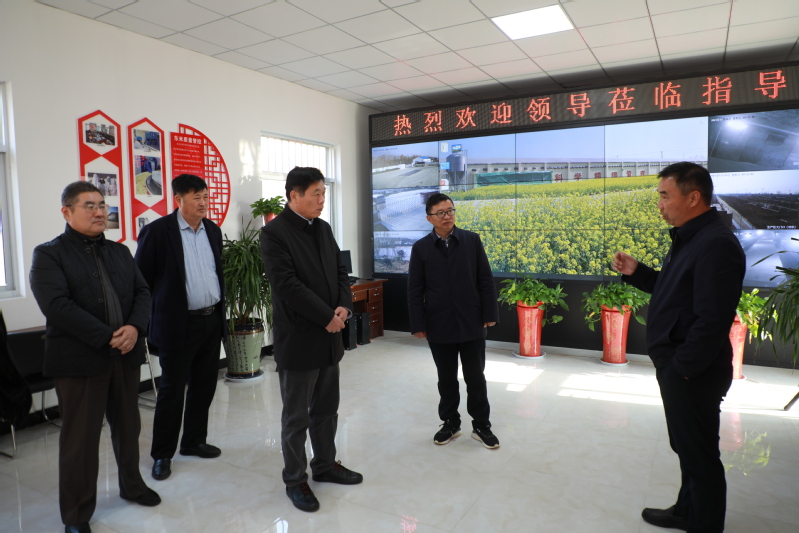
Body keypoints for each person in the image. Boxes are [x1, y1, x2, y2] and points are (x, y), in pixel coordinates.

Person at [612, 162, 745, 533]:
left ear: (693, 197)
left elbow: (712, 320)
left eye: (665, 196)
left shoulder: (716, 244)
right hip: (682, 367)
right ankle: (687, 511)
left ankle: (704, 524)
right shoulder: (691, 236)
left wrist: (681, 369)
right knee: (688, 447)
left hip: (693, 372)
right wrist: (637, 272)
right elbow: (674, 290)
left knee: (700, 458)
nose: (660, 204)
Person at [30, 181, 160, 533]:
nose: (100, 211)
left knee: (128, 427)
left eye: (102, 205)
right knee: (81, 440)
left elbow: (143, 292)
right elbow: (57, 306)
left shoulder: (119, 251)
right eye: (89, 205)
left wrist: (135, 327)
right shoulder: (49, 254)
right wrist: (108, 337)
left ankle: (132, 486)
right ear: (67, 212)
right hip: (80, 361)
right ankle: (76, 514)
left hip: (125, 356)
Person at [260, 166, 363, 513]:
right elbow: (287, 286)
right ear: (294, 195)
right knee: (296, 418)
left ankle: (325, 465)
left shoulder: (323, 228)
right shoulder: (274, 233)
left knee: (327, 410)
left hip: (330, 338)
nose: (322, 200)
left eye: (324, 193)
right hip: (300, 338)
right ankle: (295, 479)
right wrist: (326, 317)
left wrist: (344, 307)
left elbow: (340, 271)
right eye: (316, 193)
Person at [134, 174, 226, 482]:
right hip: (178, 325)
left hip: (211, 320)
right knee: (172, 391)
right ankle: (162, 454)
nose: (203, 202)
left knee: (204, 386)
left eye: (205, 196)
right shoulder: (158, 232)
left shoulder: (213, 230)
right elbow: (141, 283)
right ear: (178, 200)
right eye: (196, 197)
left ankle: (194, 441)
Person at [407, 193, 500, 449]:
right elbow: (415, 290)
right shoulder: (421, 248)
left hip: (472, 321)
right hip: (439, 323)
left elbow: (485, 280)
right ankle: (450, 423)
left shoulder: (471, 240)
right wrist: (418, 324)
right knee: (446, 378)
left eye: (450, 211)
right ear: (429, 218)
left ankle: (482, 426)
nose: (447, 216)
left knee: (476, 377)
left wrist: (490, 314)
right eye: (440, 213)